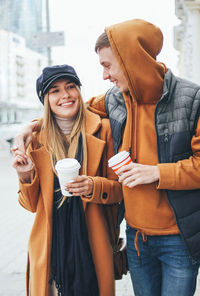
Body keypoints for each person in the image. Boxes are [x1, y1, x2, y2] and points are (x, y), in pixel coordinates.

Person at [13, 19, 200, 296]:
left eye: (107, 65)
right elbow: (70, 108)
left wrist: (157, 172)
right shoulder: (115, 99)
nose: (104, 75)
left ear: (130, 59)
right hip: (136, 238)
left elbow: (75, 106)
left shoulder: (192, 98)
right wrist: (29, 129)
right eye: (102, 66)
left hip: (178, 239)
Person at [12, 64, 123, 296]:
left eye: (70, 87)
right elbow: (32, 206)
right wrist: (25, 176)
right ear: (46, 100)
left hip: (93, 242)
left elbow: (120, 190)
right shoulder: (36, 139)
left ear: (79, 91)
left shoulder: (103, 130)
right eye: (55, 91)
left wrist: (94, 186)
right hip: (51, 248)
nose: (65, 95)